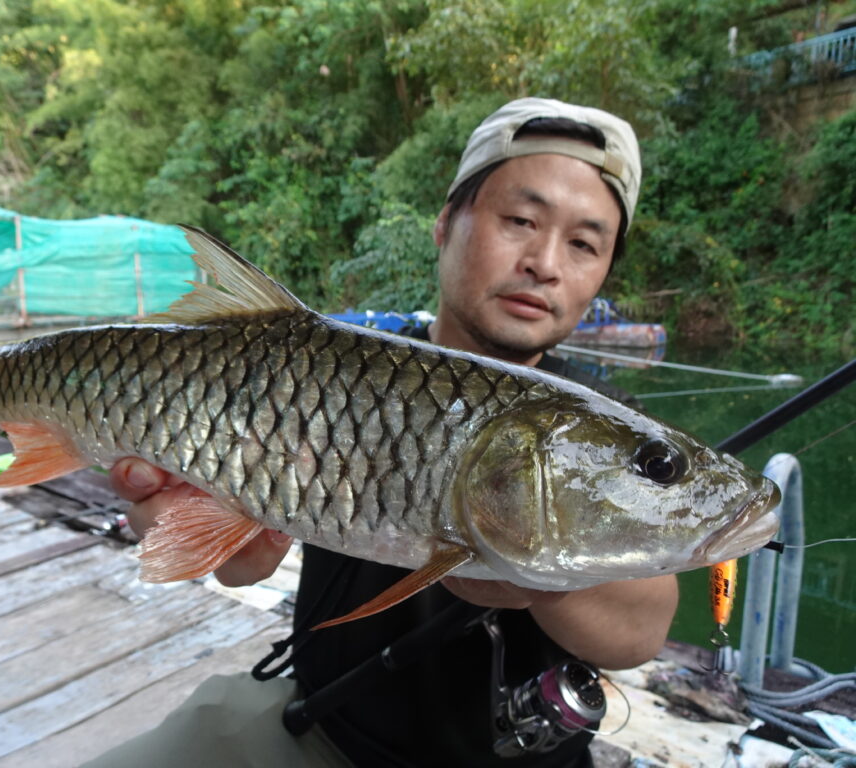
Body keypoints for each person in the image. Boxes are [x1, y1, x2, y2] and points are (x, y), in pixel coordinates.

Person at [92, 97, 679, 767]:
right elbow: (238, 557)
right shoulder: (324, 363)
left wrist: (548, 576)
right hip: (313, 729)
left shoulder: (611, 425)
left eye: (584, 243)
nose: (545, 262)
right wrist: (205, 523)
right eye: (520, 219)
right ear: (446, 223)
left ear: (605, 269)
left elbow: (644, 629)